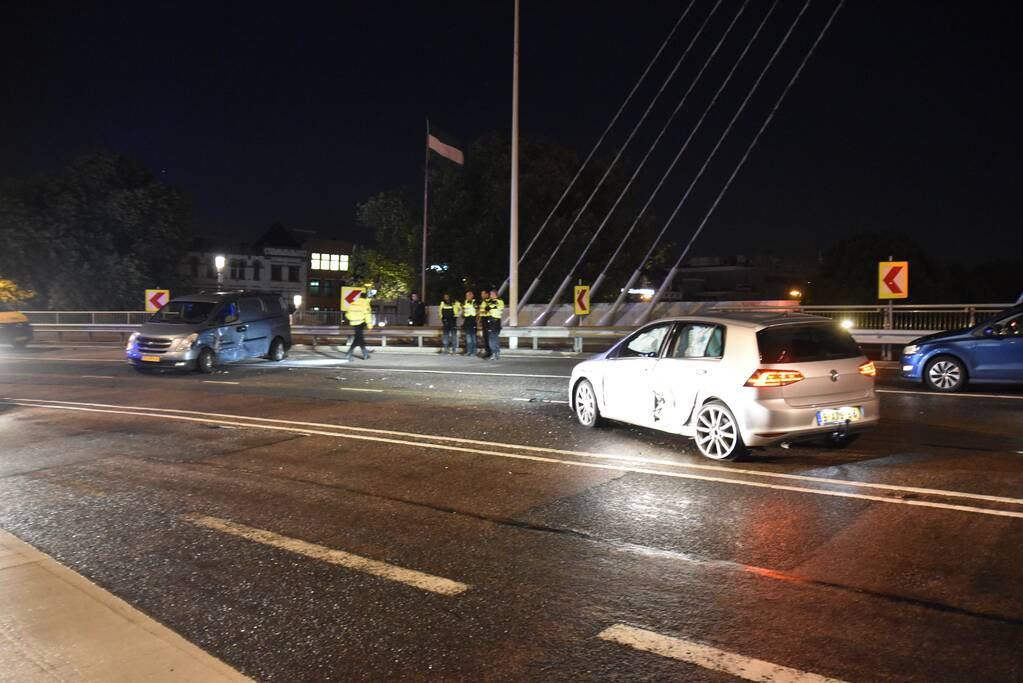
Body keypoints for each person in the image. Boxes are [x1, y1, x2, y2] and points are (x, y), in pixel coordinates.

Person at [344, 288, 373, 360]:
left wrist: (352, 319)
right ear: (365, 297)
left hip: (354, 322)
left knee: (359, 338)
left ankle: (365, 354)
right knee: (358, 339)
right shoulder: (365, 304)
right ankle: (348, 354)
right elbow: (368, 315)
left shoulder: (353, 303)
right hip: (361, 323)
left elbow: (347, 314)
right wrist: (370, 326)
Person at [486, 288, 505, 360]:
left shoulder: (500, 301)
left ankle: (496, 353)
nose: (490, 295)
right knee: (491, 338)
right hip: (490, 321)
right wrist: (491, 307)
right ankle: (495, 353)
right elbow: (487, 308)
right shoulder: (490, 302)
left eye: (491, 294)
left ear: (495, 294)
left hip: (496, 321)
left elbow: (498, 307)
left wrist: (491, 307)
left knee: (494, 338)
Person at [460, 290, 477, 357]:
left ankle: (474, 352)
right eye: (466, 295)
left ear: (472, 296)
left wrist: (477, 321)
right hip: (467, 321)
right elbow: (463, 312)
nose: (467, 296)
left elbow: (477, 311)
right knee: (468, 337)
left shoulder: (474, 302)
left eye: (469, 295)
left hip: (472, 321)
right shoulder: (465, 302)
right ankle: (469, 351)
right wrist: (463, 314)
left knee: (473, 337)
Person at [478, 289, 492, 358]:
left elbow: (490, 310)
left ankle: (490, 352)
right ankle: (487, 352)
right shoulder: (483, 302)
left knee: (489, 337)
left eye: (483, 294)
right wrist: (479, 320)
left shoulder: (490, 301)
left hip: (488, 320)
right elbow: (481, 311)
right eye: (481, 294)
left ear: (487, 294)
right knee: (485, 337)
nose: (482, 295)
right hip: (484, 320)